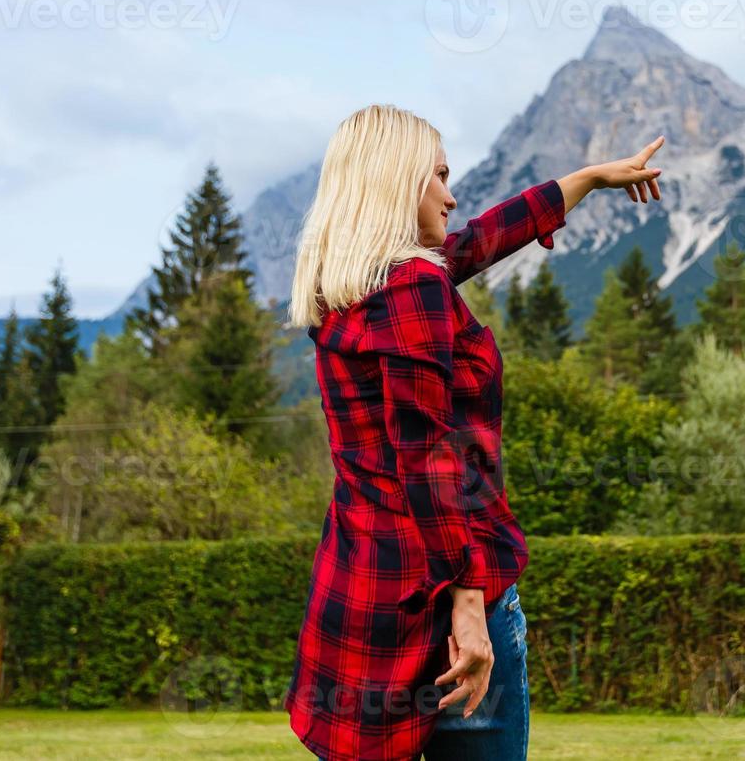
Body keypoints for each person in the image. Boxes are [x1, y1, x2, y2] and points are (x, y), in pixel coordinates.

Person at [282, 103, 664, 761]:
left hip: (364, 590)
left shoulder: (345, 292)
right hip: (446, 602)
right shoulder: (412, 293)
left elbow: (481, 240)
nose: (452, 195)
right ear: (397, 183)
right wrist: (468, 600)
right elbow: (428, 458)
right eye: (438, 176)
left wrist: (585, 179)